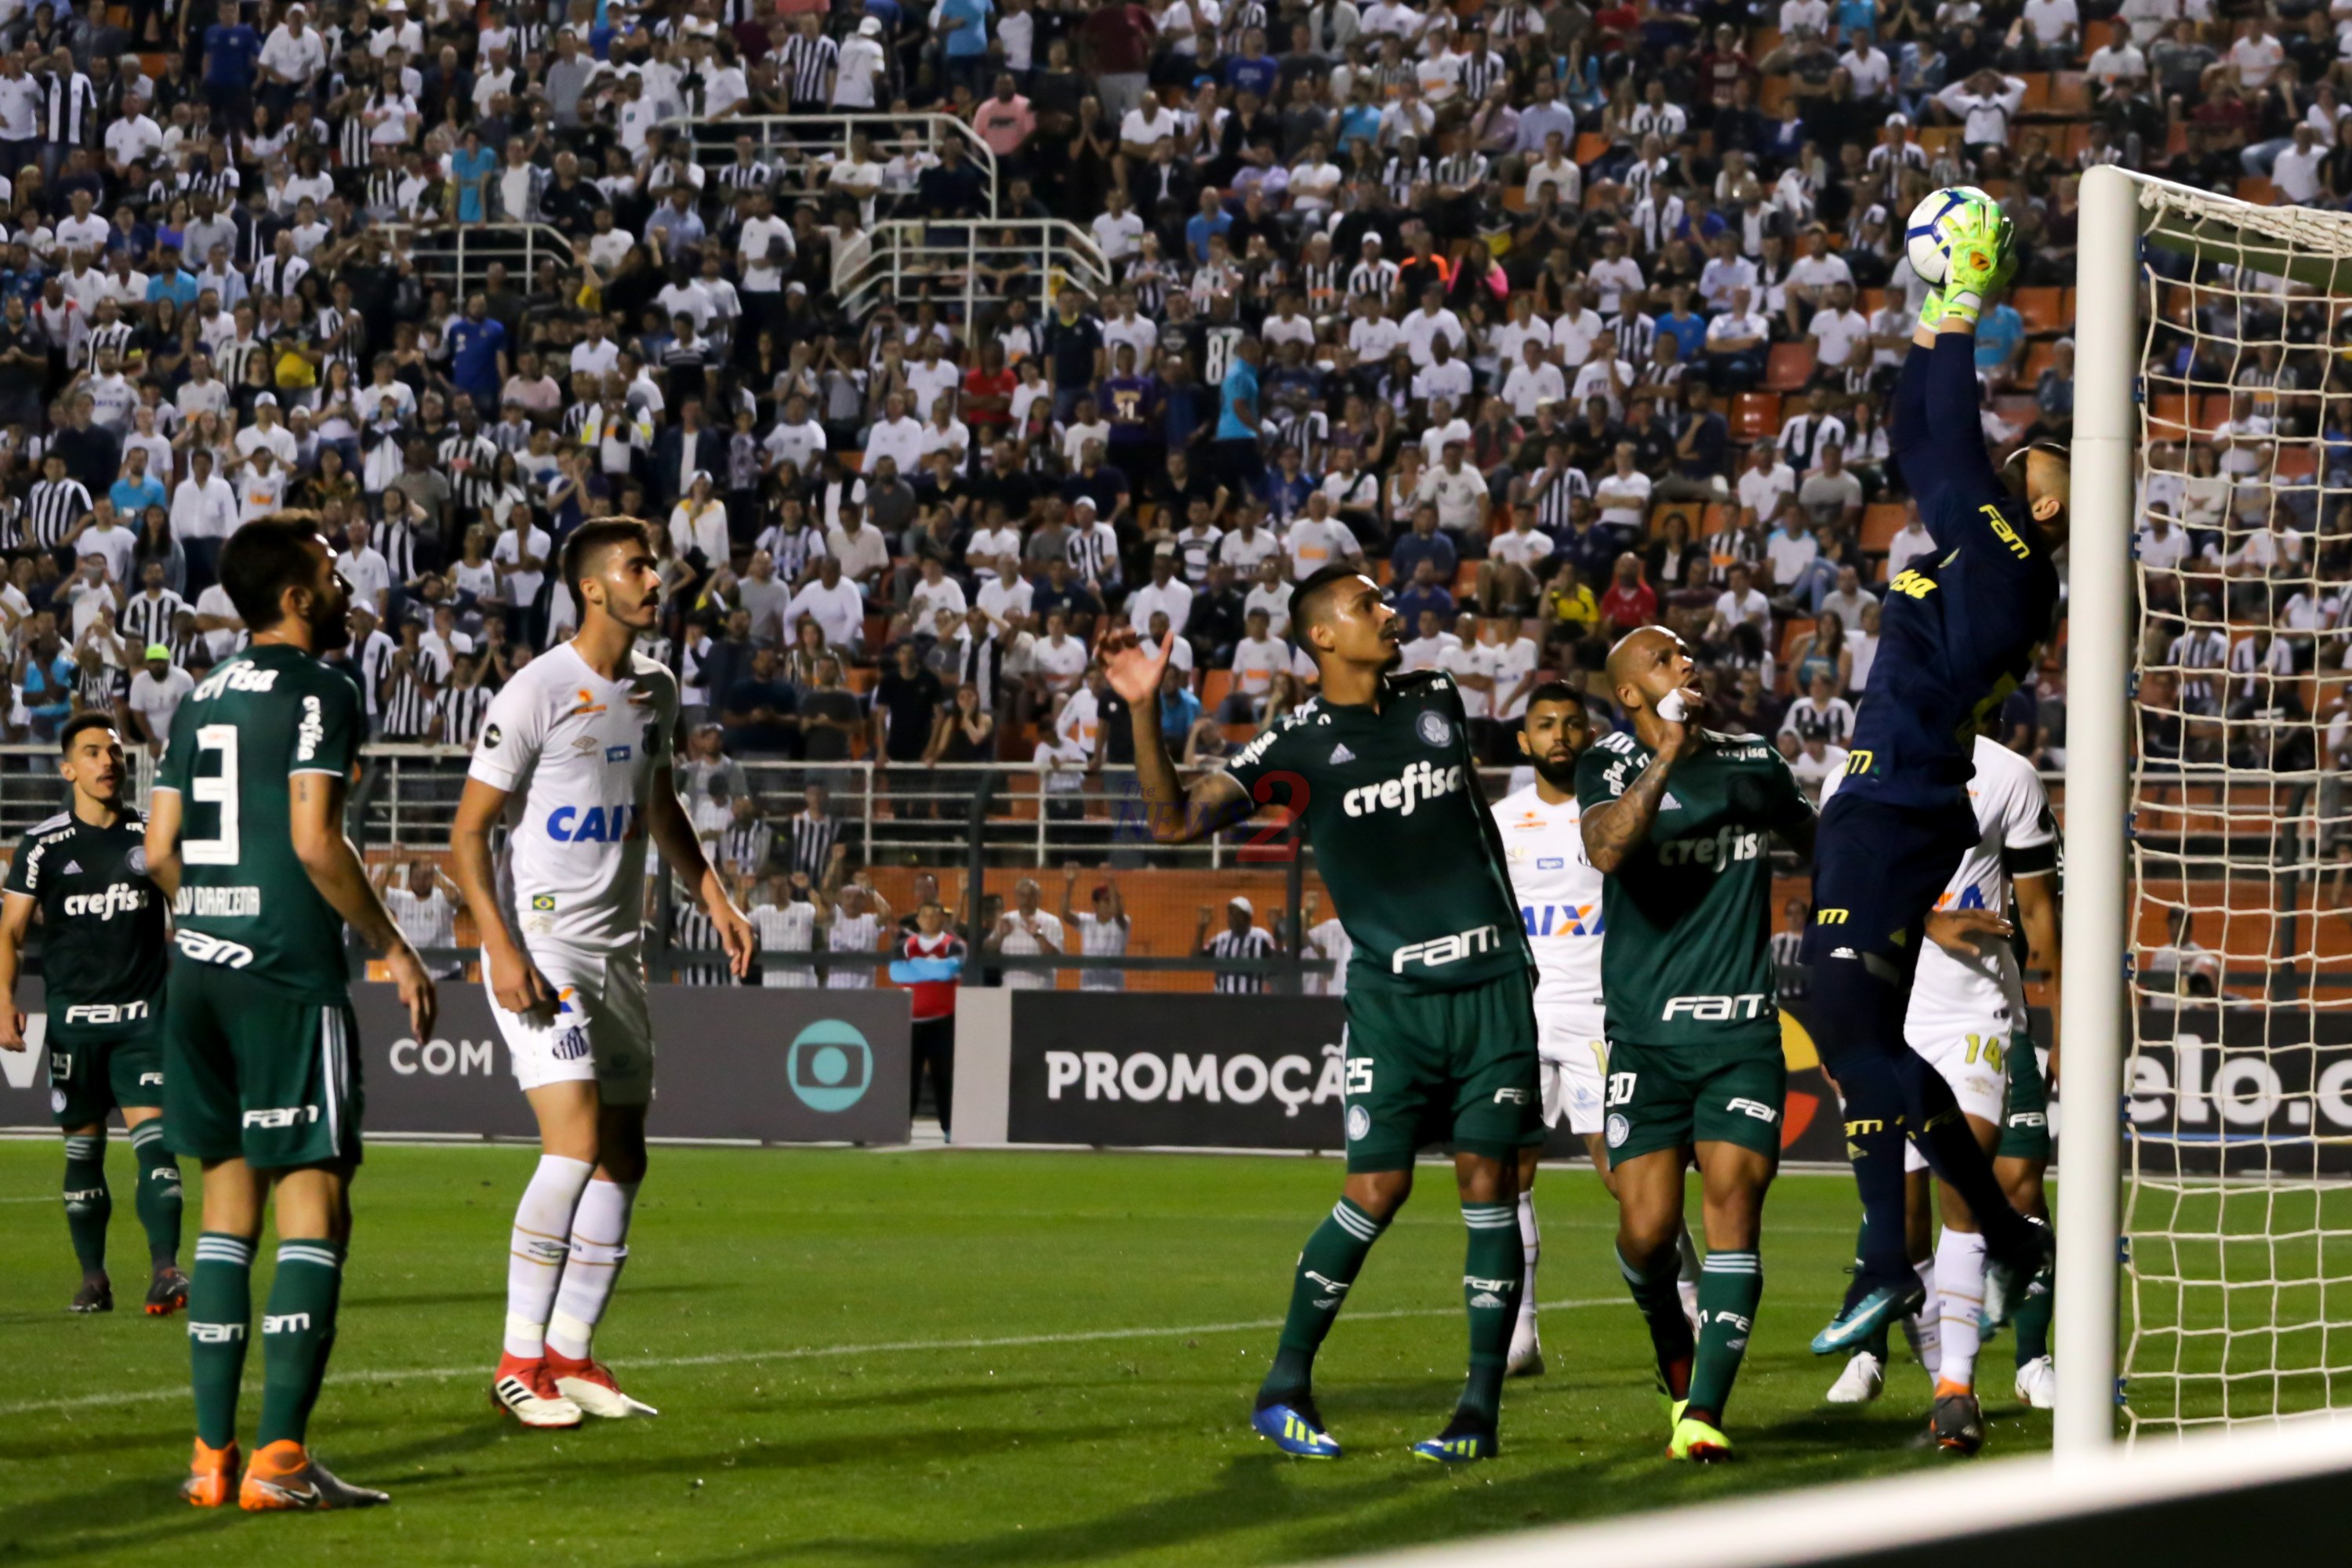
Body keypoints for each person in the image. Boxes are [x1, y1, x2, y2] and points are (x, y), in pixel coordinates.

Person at [1104, 562, 1541, 1465]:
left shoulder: (1437, 697)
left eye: (1384, 600)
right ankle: (1283, 1386)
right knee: (1374, 1190)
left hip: (1493, 986)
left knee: (1488, 1189)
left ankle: (1477, 1416)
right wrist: (1144, 709)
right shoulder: (1294, 748)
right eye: (1366, 605)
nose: (1389, 612)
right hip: (1392, 1000)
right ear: (1322, 638)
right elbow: (1176, 823)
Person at [1801, 202, 2063, 1372]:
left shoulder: (2008, 559)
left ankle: (1902, 1257)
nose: (2035, 470)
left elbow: (1946, 431)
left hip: (1902, 801)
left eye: (2048, 470)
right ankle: (1989, 1240)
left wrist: (1957, 304)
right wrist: (1926, 319)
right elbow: (1924, 433)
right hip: (1884, 794)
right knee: (1853, 1021)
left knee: (1842, 1013)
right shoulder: (1977, 537)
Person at [144, 516, 437, 1510]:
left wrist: (210, 922)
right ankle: (279, 1461)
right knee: (314, 1197)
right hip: (282, 971)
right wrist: (396, 946)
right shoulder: (324, 687)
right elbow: (317, 841)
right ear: (300, 597)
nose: (350, 585)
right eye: (333, 572)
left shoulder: (199, 693)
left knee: (227, 1208)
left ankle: (209, 1458)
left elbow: (158, 852)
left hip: (199, 970)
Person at [447, 518, 753, 1431]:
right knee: (575, 1137)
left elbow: (660, 807)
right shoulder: (536, 689)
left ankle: (573, 1356)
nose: (655, 578)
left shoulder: (656, 687)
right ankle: (517, 1359)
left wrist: (717, 894)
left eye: (654, 564)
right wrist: (498, 948)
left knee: (624, 1153)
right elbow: (468, 832)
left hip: (622, 949)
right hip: (546, 948)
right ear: (592, 587)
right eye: (637, 566)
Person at [1576, 626, 1817, 1461]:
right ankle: (1676, 1358)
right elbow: (1607, 847)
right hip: (1644, 1038)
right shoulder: (1606, 763)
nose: (1689, 664)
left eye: (1688, 654)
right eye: (1667, 659)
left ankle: (1704, 1411)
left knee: (1732, 1209)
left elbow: (1821, 843)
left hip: (1743, 1032)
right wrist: (1669, 757)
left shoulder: (1754, 757)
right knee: (1645, 1233)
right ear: (1633, 694)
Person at [1817, 728, 2062, 1448]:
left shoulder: (2009, 774)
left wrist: (2057, 1019)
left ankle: (1958, 1388)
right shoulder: (1847, 779)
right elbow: (1839, 901)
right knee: (1906, 1215)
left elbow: (2042, 909)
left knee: (1969, 1187)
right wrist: (1927, 921)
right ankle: (1930, 1373)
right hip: (1887, 1007)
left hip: (1974, 1008)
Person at [1491, 682, 1700, 1379]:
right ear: (1523, 742)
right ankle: (1520, 1336)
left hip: (1598, 1012)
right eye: (1545, 724)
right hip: (1519, 1015)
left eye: (1572, 724)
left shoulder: (1615, 815)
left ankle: (1692, 1298)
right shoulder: (1499, 820)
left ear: (1589, 738)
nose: (1559, 734)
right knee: (1507, 1175)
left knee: (1627, 1178)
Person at [0, 715, 185, 1316]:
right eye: (92, 752)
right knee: (83, 1153)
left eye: (115, 751)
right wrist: (4, 999)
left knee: (156, 1144)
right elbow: (11, 931)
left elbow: (189, 911)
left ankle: (165, 1271)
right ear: (67, 769)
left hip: (144, 1019)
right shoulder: (43, 846)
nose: (108, 761)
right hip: (74, 1025)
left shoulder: (152, 836)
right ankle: (94, 1278)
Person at [890, 900, 967, 1134]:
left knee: (943, 1077)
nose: (930, 919)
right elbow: (896, 973)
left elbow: (948, 971)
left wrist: (915, 967)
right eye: (925, 915)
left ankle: (949, 1128)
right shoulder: (904, 945)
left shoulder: (954, 945)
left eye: (935, 915)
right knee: (908, 1078)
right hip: (911, 1020)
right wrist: (932, 970)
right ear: (918, 919)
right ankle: (904, 1127)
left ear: (942, 919)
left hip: (943, 1020)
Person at [1061, 866, 1128, 992]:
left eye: (1113, 900)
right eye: (1106, 900)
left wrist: (1111, 882)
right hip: (1088, 988)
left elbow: (1118, 913)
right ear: (1095, 904)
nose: (1111, 904)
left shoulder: (1123, 922)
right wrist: (1070, 884)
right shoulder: (1087, 921)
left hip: (1115, 989)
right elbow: (1065, 914)